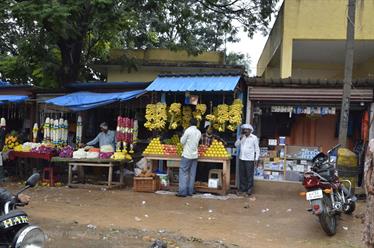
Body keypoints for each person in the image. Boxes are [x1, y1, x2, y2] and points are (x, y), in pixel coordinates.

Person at [177, 118, 201, 197]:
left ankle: (182, 192)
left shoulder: (188, 131)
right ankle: (190, 191)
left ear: (190, 123)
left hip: (187, 155)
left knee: (183, 172)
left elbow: (182, 141)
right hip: (195, 155)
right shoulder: (199, 132)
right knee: (192, 173)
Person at [235, 124, 260, 196]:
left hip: (250, 159)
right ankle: (242, 189)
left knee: (249, 175)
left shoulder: (254, 138)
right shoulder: (242, 137)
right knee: (242, 175)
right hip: (241, 158)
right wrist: (240, 138)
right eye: (244, 129)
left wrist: (256, 159)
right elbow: (236, 145)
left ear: (250, 130)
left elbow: (257, 149)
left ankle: (249, 190)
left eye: (246, 129)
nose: (245, 131)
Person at [364, 138, 374, 248]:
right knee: (371, 219)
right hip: (373, 190)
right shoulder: (372, 143)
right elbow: (370, 167)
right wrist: (368, 184)